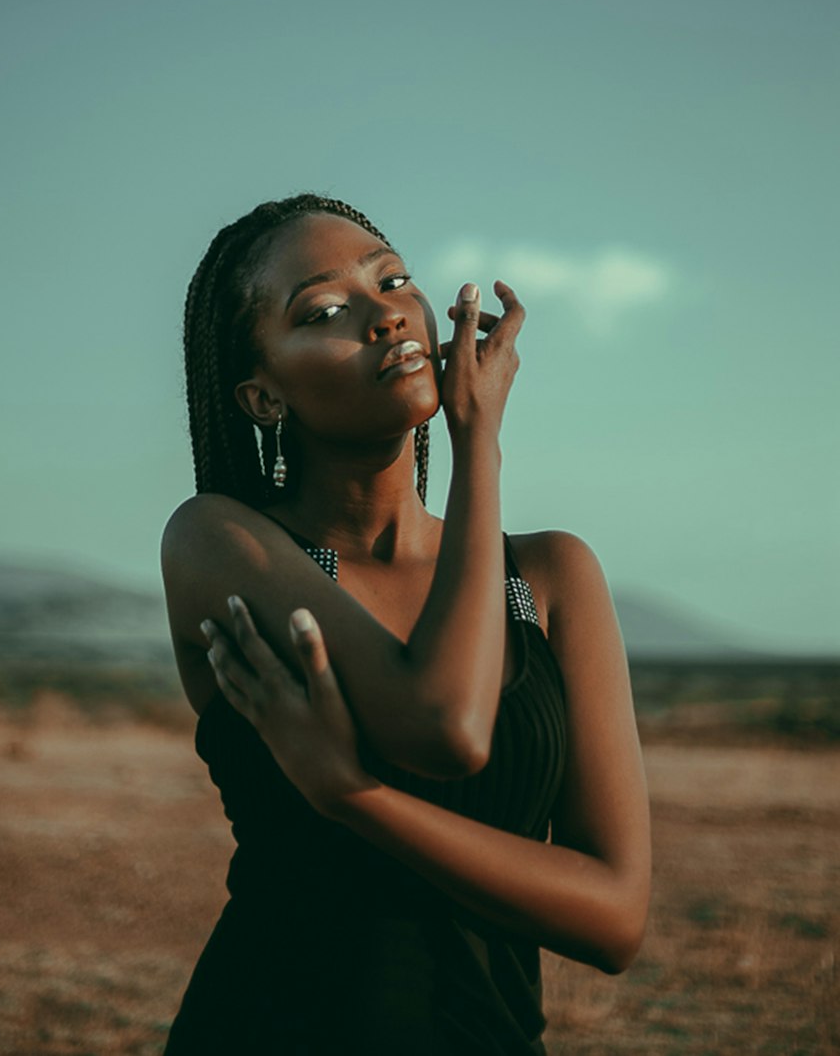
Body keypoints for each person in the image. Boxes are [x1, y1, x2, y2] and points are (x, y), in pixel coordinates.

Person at [160, 193, 650, 1055]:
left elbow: (613, 917)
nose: (385, 313)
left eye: (393, 280)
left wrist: (355, 797)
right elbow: (446, 725)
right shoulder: (225, 542)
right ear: (263, 396)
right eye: (326, 310)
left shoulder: (548, 578)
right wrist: (479, 443)